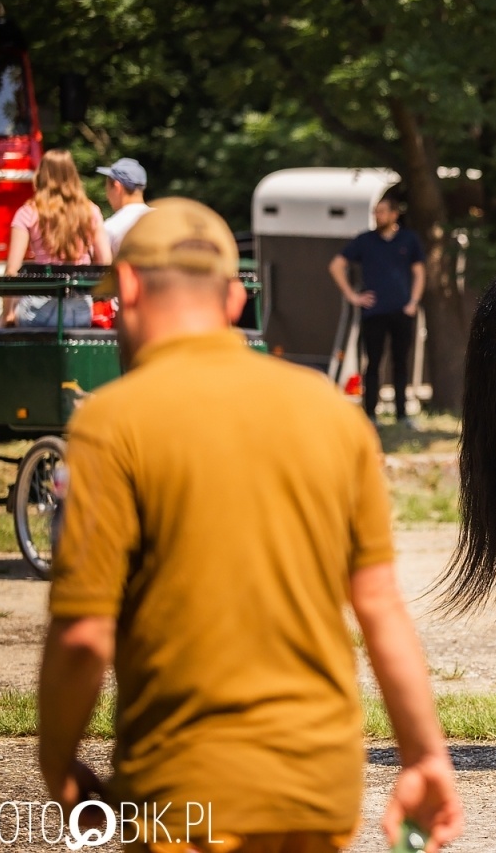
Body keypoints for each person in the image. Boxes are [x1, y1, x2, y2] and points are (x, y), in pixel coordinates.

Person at [39, 198, 463, 853]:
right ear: (235, 299)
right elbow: (380, 605)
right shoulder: (333, 415)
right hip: (320, 788)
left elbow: (83, 633)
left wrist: (58, 763)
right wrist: (425, 757)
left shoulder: (111, 422)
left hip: (185, 792)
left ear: (127, 287)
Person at [329, 197, 426, 423]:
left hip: (402, 311)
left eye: (381, 211)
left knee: (400, 363)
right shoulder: (365, 240)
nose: (377, 216)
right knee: (372, 362)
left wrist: (413, 302)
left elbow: (420, 272)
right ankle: (370, 413)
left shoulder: (409, 239)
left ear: (394, 214)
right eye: (375, 211)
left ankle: (402, 414)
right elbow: (336, 265)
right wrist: (352, 296)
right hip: (374, 312)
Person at [3, 149, 111, 327]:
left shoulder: (27, 212)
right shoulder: (91, 211)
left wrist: (7, 314)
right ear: (73, 175)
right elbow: (105, 261)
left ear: (42, 175)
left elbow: (11, 270)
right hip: (79, 312)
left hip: (36, 312)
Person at [99, 156, 151, 254]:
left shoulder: (110, 228)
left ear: (117, 187)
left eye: (107, 188)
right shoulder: (161, 219)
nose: (107, 195)